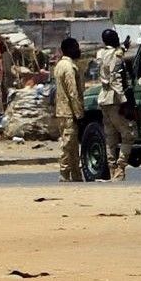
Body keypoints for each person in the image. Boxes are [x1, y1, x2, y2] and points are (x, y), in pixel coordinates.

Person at [95, 29, 134, 181]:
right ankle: (120, 167)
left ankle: (112, 169)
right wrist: (124, 101)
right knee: (128, 135)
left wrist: (124, 47)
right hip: (114, 99)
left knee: (110, 137)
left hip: (104, 99)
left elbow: (114, 53)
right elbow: (116, 78)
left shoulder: (102, 54)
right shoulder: (117, 57)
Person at [53, 38, 85, 182]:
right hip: (69, 113)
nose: (79, 50)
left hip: (61, 111)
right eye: (76, 47)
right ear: (70, 49)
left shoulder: (59, 65)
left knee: (72, 147)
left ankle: (76, 176)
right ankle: (64, 174)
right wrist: (79, 114)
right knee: (67, 145)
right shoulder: (69, 67)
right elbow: (73, 93)